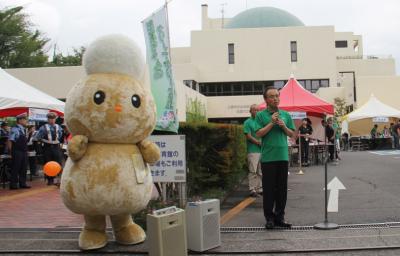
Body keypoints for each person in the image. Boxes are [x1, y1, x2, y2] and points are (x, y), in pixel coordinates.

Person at [255, 87, 295, 229]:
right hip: (268, 158)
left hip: (283, 156)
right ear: (266, 99)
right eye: (272, 96)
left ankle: (280, 217)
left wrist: (283, 126)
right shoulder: (260, 115)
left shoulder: (285, 114)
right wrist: (271, 123)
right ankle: (269, 218)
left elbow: (292, 134)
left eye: (277, 96)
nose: (275, 98)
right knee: (269, 190)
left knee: (282, 189)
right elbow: (258, 134)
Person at [35, 112, 63, 185]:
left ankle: (58, 179)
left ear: (55, 119)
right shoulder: (43, 127)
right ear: (48, 119)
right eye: (50, 119)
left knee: (58, 163)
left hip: (56, 147)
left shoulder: (58, 127)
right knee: (48, 163)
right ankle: (50, 180)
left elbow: (60, 136)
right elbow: (38, 137)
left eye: (53, 119)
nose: (52, 120)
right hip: (47, 147)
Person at [243, 104, 262, 197]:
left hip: (262, 150)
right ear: (250, 111)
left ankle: (259, 188)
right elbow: (248, 136)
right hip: (253, 150)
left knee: (260, 171)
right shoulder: (247, 122)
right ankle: (252, 189)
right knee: (253, 171)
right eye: (254, 110)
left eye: (258, 110)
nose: (256, 112)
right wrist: (258, 143)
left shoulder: (261, 122)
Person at [8, 113, 31, 189]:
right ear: (20, 120)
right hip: (17, 151)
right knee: (16, 167)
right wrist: (10, 152)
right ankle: (13, 184)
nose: (26, 121)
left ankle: (22, 183)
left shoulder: (24, 129)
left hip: (23, 151)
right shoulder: (15, 129)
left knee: (23, 167)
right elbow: (10, 141)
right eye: (25, 120)